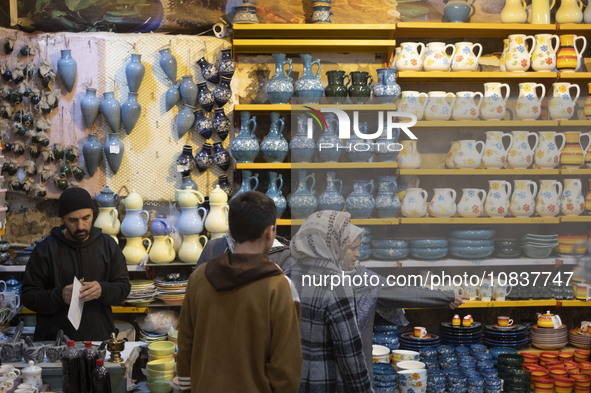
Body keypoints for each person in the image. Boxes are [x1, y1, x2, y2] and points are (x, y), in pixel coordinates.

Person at [289, 210, 467, 392]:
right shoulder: (347, 284)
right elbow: (349, 351)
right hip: (334, 380)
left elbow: (402, 291)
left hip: (296, 379)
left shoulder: (290, 274)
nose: (358, 254)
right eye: (351, 247)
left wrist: (444, 297)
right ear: (333, 245)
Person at [177, 191, 302, 393]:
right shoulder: (280, 287)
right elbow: (286, 365)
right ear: (270, 232)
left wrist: (185, 389)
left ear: (231, 233)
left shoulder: (199, 278)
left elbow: (185, 346)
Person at [21, 187, 131, 341]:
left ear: (93, 214)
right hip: (55, 342)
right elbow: (28, 296)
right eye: (73, 220)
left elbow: (124, 287)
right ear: (62, 219)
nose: (80, 226)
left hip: (98, 339)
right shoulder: (45, 249)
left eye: (86, 218)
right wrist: (59, 296)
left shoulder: (108, 246)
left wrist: (102, 290)